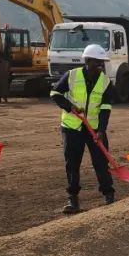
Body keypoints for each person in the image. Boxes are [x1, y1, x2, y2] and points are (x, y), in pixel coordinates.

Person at [49, 43, 115, 213]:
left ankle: (109, 195)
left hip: (94, 128)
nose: (101, 65)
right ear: (87, 60)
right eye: (97, 61)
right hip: (72, 127)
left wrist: (101, 130)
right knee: (72, 163)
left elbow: (105, 107)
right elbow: (55, 93)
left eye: (102, 62)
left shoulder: (105, 81)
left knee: (101, 162)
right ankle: (73, 199)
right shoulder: (71, 75)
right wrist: (69, 106)